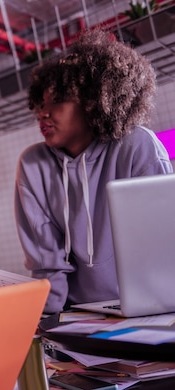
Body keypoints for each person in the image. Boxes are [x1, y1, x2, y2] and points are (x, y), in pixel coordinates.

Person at [14, 29, 173, 314]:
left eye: (57, 101)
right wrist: (46, 325)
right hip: (81, 315)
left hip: (152, 308)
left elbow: (163, 248)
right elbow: (47, 265)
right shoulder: (33, 164)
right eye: (40, 105)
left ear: (93, 100)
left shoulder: (137, 146)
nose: (43, 114)